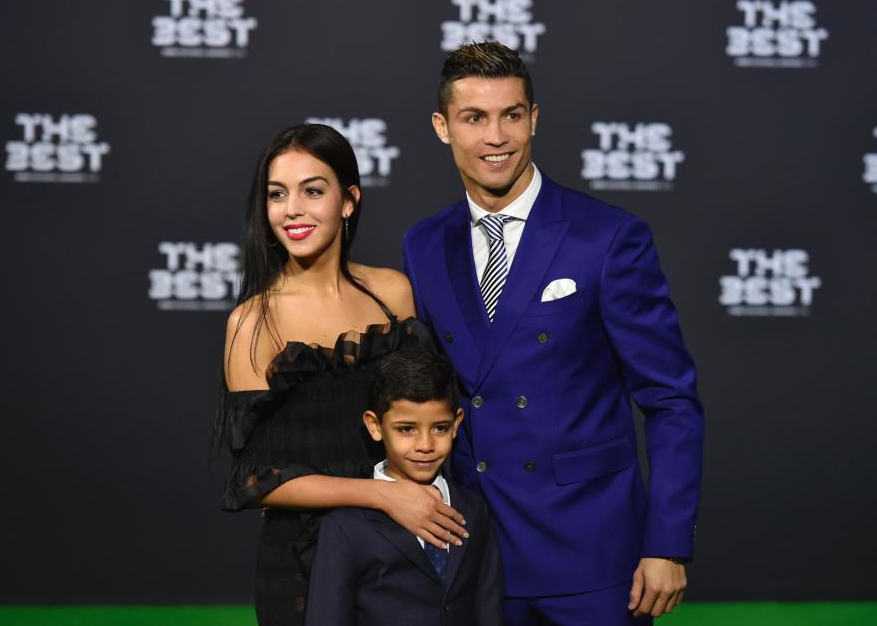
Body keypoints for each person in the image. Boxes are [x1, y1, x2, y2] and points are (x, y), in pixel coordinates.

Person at [402, 42, 705, 625]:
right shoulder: (423, 243)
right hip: (472, 547)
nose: (497, 137)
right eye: (474, 118)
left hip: (593, 551)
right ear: (442, 128)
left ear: (534, 119)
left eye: (511, 115)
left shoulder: (608, 237)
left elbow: (670, 399)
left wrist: (667, 542)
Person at [217, 124, 469, 626]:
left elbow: (423, 411)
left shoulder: (392, 293)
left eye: (313, 191)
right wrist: (383, 494)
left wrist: (407, 498)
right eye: (277, 194)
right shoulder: (252, 321)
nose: (292, 209)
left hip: (402, 545)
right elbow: (255, 480)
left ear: (348, 201)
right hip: (302, 562)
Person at [305, 347, 503, 626]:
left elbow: (488, 608)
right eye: (406, 429)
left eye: (440, 428)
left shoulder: (473, 509)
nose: (425, 445)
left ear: (457, 423)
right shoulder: (345, 525)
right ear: (374, 426)